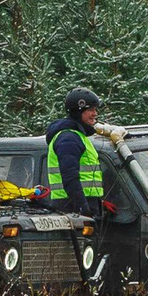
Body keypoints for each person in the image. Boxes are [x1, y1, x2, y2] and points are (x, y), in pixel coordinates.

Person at [41, 86, 110, 217]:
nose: (95, 114)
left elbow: (86, 177)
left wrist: (98, 202)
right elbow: (70, 176)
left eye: (95, 109)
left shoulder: (78, 136)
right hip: (71, 207)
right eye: (90, 110)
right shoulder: (69, 138)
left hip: (80, 203)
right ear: (78, 111)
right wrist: (82, 206)